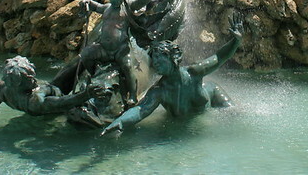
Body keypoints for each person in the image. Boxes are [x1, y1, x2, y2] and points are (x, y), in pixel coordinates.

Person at [101, 13, 243, 135]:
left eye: (159, 58)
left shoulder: (194, 72)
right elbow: (140, 110)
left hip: (214, 94)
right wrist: (120, 122)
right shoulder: (159, 91)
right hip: (192, 120)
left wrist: (235, 41)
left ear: (173, 58)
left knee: (234, 116)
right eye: (153, 59)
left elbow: (219, 57)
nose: (155, 63)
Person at [51, 0, 156, 108]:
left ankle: (133, 95)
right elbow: (95, 6)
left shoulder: (128, 6)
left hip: (121, 49)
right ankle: (94, 72)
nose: (115, 0)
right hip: (103, 48)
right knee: (85, 54)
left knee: (127, 67)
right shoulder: (107, 8)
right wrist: (87, 2)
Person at [0, 55, 106, 116]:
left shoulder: (0, 88)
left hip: (52, 87)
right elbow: (63, 102)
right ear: (19, 83)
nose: (34, 80)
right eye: (30, 78)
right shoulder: (35, 101)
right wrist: (86, 94)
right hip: (61, 96)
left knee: (84, 55)